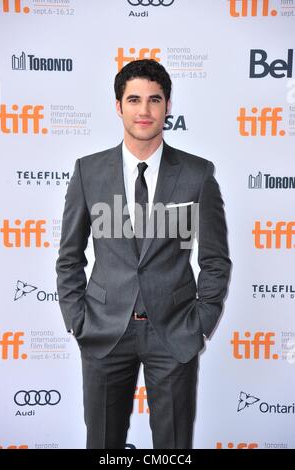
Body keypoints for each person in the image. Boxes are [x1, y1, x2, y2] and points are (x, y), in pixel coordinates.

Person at [56, 59, 231, 449]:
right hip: (103, 330)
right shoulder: (88, 172)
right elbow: (70, 256)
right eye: (134, 99)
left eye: (155, 99)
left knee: (172, 447)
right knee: (103, 445)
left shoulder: (197, 174)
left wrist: (200, 321)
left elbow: (215, 260)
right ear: (118, 106)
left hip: (173, 330)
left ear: (168, 106)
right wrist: (77, 319)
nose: (144, 110)